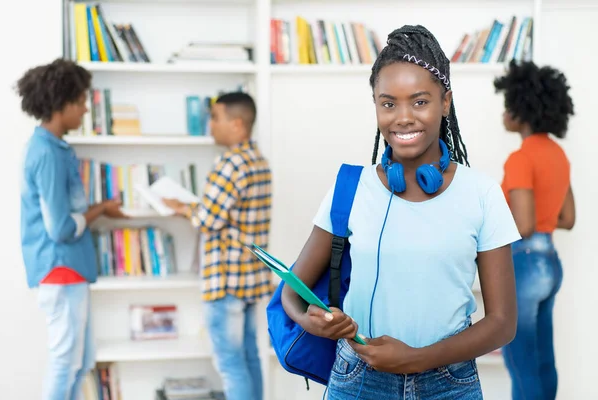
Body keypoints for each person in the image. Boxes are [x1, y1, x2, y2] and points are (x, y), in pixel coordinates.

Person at [280, 25, 522, 399]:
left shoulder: (482, 193)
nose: (403, 117)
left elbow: (503, 323)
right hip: (357, 378)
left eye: (420, 101)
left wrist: (417, 359)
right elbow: (291, 294)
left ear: (445, 102)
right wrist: (313, 323)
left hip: (449, 384)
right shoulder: (350, 187)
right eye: (388, 103)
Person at [16, 58, 126, 400]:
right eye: (80, 103)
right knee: (66, 361)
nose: (83, 111)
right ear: (62, 104)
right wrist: (101, 210)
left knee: (79, 362)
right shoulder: (46, 153)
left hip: (70, 270)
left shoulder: (55, 148)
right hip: (60, 269)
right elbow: (60, 228)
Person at [163, 92, 272, 400]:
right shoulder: (258, 161)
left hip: (225, 281)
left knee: (230, 365)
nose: (210, 125)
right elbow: (232, 215)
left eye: (215, 118)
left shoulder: (230, 163)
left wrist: (181, 207)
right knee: (250, 359)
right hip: (251, 278)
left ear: (237, 124)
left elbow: (207, 220)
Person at [494, 60, 575, 400]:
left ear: (521, 109)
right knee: (543, 361)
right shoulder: (558, 155)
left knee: (522, 362)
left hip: (525, 264)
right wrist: (538, 215)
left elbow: (523, 225)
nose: (503, 112)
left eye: (508, 103)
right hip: (551, 263)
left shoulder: (520, 158)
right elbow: (567, 218)